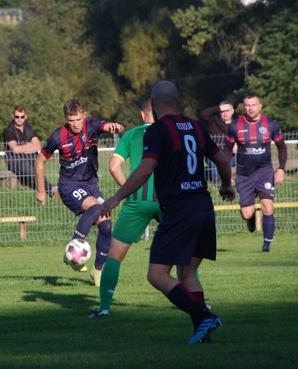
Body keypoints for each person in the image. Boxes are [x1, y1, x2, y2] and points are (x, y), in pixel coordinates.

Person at [101, 81, 235, 344]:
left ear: (152, 102)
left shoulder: (158, 130)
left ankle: (203, 314)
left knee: (157, 275)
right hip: (204, 207)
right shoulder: (196, 126)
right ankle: (203, 332)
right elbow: (222, 159)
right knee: (187, 272)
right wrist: (227, 185)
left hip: (179, 209)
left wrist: (117, 196)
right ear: (178, 101)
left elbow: (145, 168)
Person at [35, 98, 124, 287]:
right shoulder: (58, 136)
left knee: (107, 226)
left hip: (91, 185)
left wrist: (116, 127)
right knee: (97, 208)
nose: (75, 124)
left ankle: (97, 271)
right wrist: (41, 191)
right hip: (69, 186)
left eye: (78, 119)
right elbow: (40, 161)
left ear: (84, 114)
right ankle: (73, 250)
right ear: (66, 119)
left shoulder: (91, 125)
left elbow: (108, 126)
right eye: (71, 120)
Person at [89, 96, 161, 318]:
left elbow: (113, 166)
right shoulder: (169, 132)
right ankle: (198, 303)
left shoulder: (131, 134)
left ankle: (104, 307)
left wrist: (131, 187)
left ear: (142, 114)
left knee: (114, 256)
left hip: (137, 202)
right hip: (166, 200)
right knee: (182, 252)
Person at [224, 94, 287, 252]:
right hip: (244, 175)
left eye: (253, 105)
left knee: (267, 206)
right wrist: (225, 174)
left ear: (260, 106)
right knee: (246, 213)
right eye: (247, 105)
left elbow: (282, 147)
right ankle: (250, 219)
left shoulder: (270, 125)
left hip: (264, 171)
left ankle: (266, 245)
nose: (250, 108)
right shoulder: (234, 126)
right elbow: (226, 150)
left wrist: (281, 169)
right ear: (243, 107)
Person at [4, 105, 53, 196]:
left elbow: (38, 146)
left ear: (25, 116)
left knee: (39, 166)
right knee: (31, 171)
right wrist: (29, 145)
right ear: (13, 116)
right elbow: (15, 149)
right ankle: (51, 192)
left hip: (30, 157)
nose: (19, 119)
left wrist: (23, 148)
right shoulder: (9, 130)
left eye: (22, 117)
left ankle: (47, 189)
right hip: (16, 161)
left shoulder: (29, 127)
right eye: (17, 117)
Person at [200, 101, 237, 182]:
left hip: (233, 156)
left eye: (227, 111)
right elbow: (203, 114)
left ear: (232, 111)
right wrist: (219, 108)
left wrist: (238, 145)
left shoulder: (237, 124)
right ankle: (220, 182)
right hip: (215, 154)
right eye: (222, 111)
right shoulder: (213, 122)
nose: (225, 113)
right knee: (215, 161)